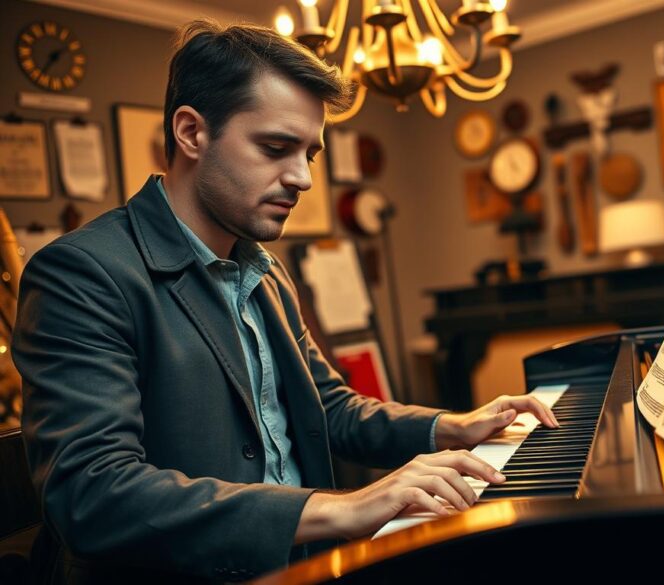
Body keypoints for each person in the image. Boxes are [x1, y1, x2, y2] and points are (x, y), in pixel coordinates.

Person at [13, 20, 558, 583]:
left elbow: (330, 408)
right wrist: (343, 506)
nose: (301, 178)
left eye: (310, 155)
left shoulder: (265, 272)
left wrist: (453, 425)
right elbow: (92, 494)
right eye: (276, 148)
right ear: (191, 133)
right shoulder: (81, 273)